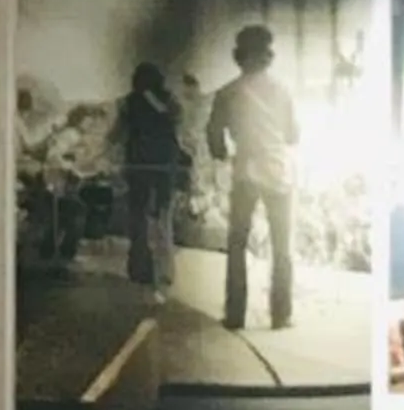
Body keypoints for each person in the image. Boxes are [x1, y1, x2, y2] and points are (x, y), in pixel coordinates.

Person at [205, 21, 298, 335]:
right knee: (282, 247)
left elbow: (214, 134)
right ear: (267, 57)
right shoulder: (282, 90)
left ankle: (235, 315)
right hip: (279, 174)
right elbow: (293, 134)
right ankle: (281, 315)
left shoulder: (227, 92)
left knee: (237, 245)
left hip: (245, 173)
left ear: (238, 57)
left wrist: (223, 153)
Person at [115, 62, 185, 290]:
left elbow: (118, 133)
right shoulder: (170, 100)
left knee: (138, 218)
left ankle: (139, 268)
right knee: (164, 218)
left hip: (137, 166)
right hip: (164, 166)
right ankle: (166, 271)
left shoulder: (128, 102)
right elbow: (178, 123)